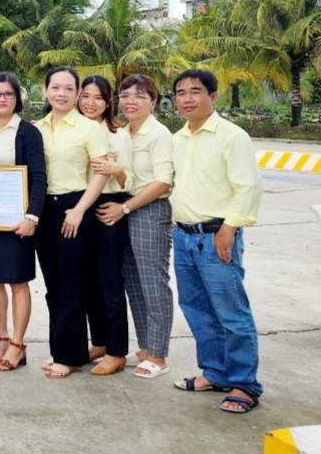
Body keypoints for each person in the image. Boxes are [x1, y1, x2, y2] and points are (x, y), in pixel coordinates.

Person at [169, 69, 263, 414]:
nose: (188, 98)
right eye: (181, 92)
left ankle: (244, 384)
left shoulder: (231, 136)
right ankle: (215, 372)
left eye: (196, 91)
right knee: (196, 308)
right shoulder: (178, 138)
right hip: (183, 236)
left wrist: (230, 228)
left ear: (214, 95)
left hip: (216, 236)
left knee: (231, 312)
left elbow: (248, 187)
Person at [95, 74, 175, 378]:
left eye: (140, 96)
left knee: (153, 283)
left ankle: (158, 354)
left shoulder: (159, 134)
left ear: (153, 102)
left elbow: (163, 182)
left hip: (147, 210)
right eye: (126, 95)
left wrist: (126, 207)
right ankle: (145, 347)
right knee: (133, 282)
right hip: (123, 208)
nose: (130, 101)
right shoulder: (123, 132)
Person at [34, 66, 110, 379]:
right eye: (56, 87)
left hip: (76, 207)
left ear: (77, 93)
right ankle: (69, 349)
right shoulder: (35, 128)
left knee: (72, 285)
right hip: (44, 210)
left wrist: (79, 210)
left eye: (69, 88)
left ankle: (65, 356)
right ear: (45, 90)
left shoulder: (89, 128)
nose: (62, 94)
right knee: (53, 285)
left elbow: (102, 172)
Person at [0, 73, 45, 373]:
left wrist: (32, 217)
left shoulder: (27, 133)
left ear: (17, 99)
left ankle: (18, 343)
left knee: (18, 280)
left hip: (19, 220)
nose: (1, 98)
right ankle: (2, 338)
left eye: (8, 94)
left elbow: (40, 178)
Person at [77, 75, 134, 376]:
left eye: (98, 97)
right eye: (85, 96)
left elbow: (129, 180)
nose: (90, 103)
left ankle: (116, 350)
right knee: (87, 282)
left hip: (107, 209)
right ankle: (98, 341)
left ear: (108, 102)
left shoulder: (116, 134)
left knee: (110, 282)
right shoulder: (72, 129)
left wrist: (117, 170)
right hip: (79, 209)